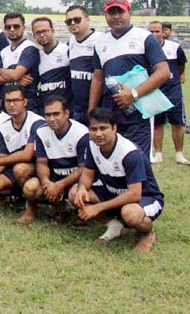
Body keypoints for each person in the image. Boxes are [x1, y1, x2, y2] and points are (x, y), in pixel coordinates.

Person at [69, 108, 163, 252]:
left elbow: (134, 194)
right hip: (113, 192)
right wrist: (82, 189)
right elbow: (87, 174)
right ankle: (115, 226)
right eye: (93, 129)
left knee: (130, 214)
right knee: (75, 194)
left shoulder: (130, 153)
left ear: (114, 128)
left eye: (103, 128)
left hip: (145, 197)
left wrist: (97, 208)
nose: (98, 134)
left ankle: (147, 234)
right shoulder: (92, 145)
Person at [89, 0, 169, 159]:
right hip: (109, 110)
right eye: (111, 13)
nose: (116, 16)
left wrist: (133, 94)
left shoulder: (144, 37)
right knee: (112, 159)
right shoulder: (100, 41)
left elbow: (163, 72)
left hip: (138, 110)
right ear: (105, 15)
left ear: (129, 12)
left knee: (137, 159)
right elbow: (98, 78)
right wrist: (91, 111)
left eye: (120, 11)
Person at [22, 96, 88, 224]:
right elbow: (41, 163)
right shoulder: (41, 132)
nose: (52, 119)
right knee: (30, 188)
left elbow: (83, 168)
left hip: (76, 182)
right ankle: (59, 209)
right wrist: (47, 183)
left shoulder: (81, 133)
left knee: (75, 194)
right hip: (54, 179)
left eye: (56, 114)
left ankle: (79, 215)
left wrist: (60, 185)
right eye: (48, 115)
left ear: (67, 113)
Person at [147, 21, 190, 165]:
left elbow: (181, 65)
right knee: (157, 124)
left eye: (157, 31)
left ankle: (179, 154)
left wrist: (178, 76)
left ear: (163, 32)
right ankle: (158, 153)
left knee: (177, 123)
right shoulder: (144, 49)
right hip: (155, 91)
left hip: (173, 90)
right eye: (151, 32)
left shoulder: (174, 47)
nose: (154, 35)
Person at [0, 12, 40, 112]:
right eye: (8, 27)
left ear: (24, 28)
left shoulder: (29, 48)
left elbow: (15, 75)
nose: (12, 29)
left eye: (16, 26)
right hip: (6, 101)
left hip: (26, 102)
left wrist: (1, 71)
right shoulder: (4, 51)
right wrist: (14, 80)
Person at [66, 5, 100, 122]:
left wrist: (92, 108)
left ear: (87, 19)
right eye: (69, 21)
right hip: (78, 106)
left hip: (99, 105)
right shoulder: (70, 42)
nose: (73, 23)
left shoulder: (100, 40)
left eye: (77, 19)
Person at [32, 17, 71, 113]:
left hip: (65, 108)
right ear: (33, 35)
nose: (42, 35)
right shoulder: (37, 57)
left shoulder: (66, 51)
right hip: (46, 109)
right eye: (38, 32)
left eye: (45, 31)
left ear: (53, 31)